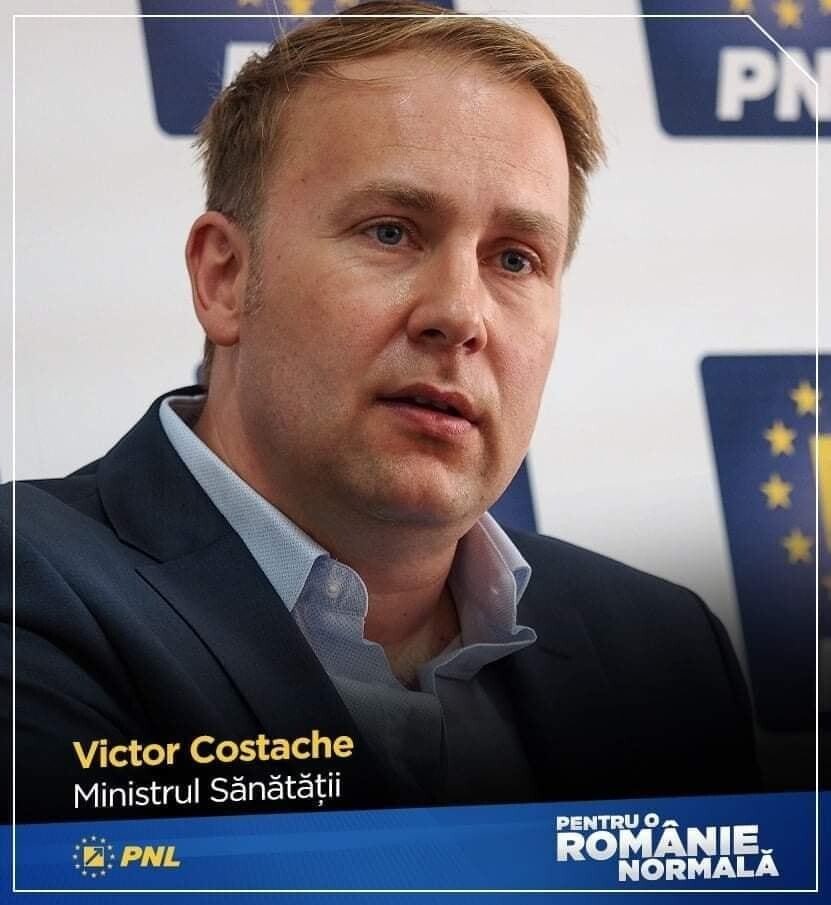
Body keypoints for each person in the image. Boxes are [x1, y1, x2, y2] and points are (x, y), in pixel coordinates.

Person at [1, 1, 758, 824]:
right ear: (224, 278)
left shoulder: (666, 648)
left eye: (514, 259)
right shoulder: (25, 589)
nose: (459, 315)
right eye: (390, 232)